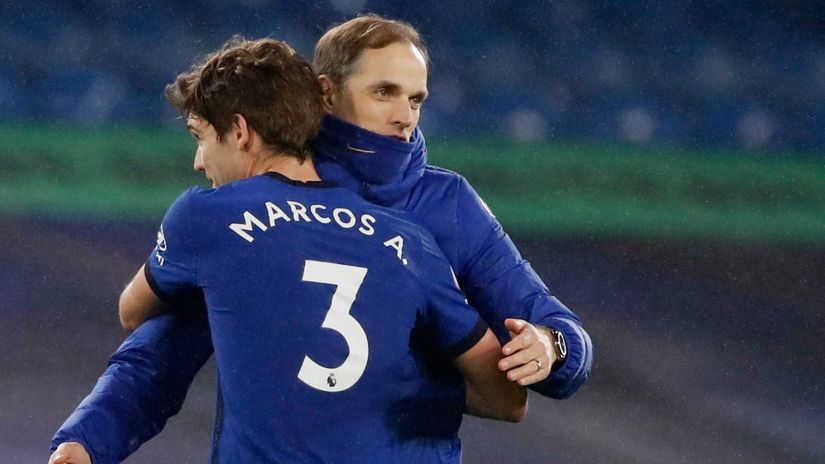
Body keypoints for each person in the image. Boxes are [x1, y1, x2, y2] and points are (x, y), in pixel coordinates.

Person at [50, 14, 593, 464]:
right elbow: (161, 353)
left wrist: (552, 347)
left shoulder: (446, 206)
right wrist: (87, 439)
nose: (406, 117)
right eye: (385, 92)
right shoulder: (256, 208)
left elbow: (552, 333)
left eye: (417, 99)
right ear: (327, 93)